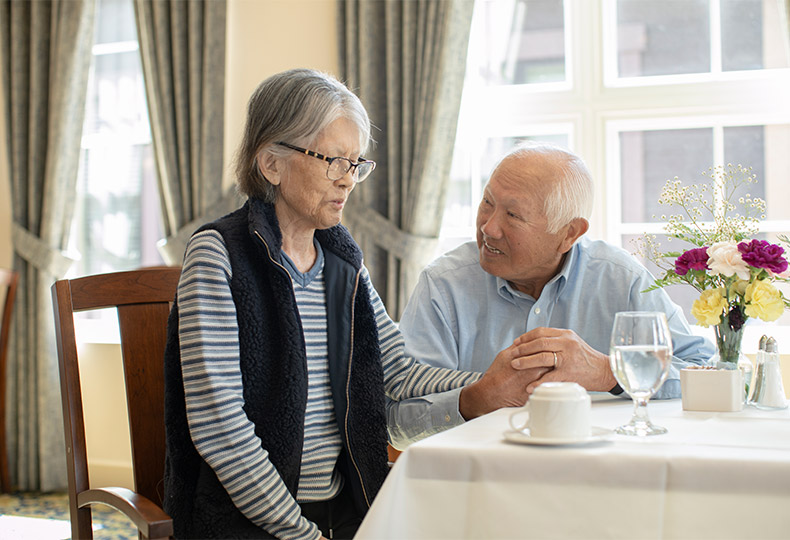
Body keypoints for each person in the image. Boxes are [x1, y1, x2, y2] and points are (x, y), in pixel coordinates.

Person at [162, 68, 539, 540]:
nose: (348, 181)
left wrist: (494, 381)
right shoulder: (219, 254)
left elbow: (398, 372)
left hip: (343, 506)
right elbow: (221, 429)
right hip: (246, 521)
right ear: (271, 164)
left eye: (356, 163)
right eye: (334, 161)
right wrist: (300, 532)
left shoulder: (341, 259)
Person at [387, 142, 715, 448]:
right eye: (487, 202)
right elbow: (394, 419)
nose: (488, 227)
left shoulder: (620, 279)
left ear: (570, 233)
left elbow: (711, 372)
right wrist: (478, 398)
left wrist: (608, 371)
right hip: (479, 483)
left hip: (603, 480)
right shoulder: (443, 285)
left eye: (513, 215)